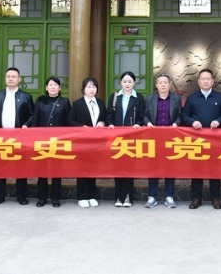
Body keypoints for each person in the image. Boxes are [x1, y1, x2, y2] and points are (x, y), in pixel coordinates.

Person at [182, 68, 221, 210]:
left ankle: (215, 198)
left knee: (214, 169)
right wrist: (192, 122)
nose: (205, 81)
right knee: (196, 169)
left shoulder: (219, 97)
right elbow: (184, 115)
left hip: (214, 140)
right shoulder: (192, 98)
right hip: (196, 140)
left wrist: (219, 121)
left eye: (208, 79)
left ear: (212, 81)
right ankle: (196, 198)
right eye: (203, 79)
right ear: (199, 81)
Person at [0, 67, 34, 206]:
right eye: (8, 76)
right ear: (5, 79)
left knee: (21, 167)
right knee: (0, 168)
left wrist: (26, 124)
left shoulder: (26, 97)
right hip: (1, 138)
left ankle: (21, 196)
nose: (11, 79)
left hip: (19, 138)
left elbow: (32, 115)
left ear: (19, 79)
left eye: (14, 76)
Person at [28, 77, 71, 207]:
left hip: (58, 141)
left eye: (55, 85)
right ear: (46, 88)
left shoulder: (64, 102)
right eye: (50, 85)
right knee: (42, 171)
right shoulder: (40, 100)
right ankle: (42, 198)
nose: (53, 87)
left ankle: (55, 198)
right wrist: (33, 137)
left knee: (57, 171)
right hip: (42, 141)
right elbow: (35, 119)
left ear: (59, 88)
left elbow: (68, 121)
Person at [105, 71, 145, 207]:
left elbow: (141, 115)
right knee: (117, 166)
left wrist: (138, 124)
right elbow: (109, 113)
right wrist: (110, 124)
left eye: (130, 81)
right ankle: (118, 197)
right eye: (124, 81)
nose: (127, 84)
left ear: (134, 83)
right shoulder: (115, 96)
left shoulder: (139, 97)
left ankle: (127, 197)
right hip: (116, 137)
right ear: (121, 83)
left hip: (131, 136)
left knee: (129, 166)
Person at [143, 73, 183, 208]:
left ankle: (169, 196)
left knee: (170, 167)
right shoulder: (150, 99)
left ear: (170, 84)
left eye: (165, 82)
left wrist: (176, 124)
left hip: (171, 138)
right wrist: (148, 123)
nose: (163, 85)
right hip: (154, 138)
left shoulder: (176, 98)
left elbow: (180, 115)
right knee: (152, 166)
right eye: (160, 83)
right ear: (156, 85)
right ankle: (152, 196)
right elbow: (145, 115)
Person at [68, 76, 107, 208]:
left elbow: (105, 118)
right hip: (82, 141)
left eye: (94, 87)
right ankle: (82, 196)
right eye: (89, 87)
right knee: (82, 168)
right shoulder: (77, 104)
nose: (92, 89)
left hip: (97, 141)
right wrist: (81, 126)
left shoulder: (101, 103)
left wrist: (102, 122)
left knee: (93, 168)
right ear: (83, 89)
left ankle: (91, 195)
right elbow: (70, 120)